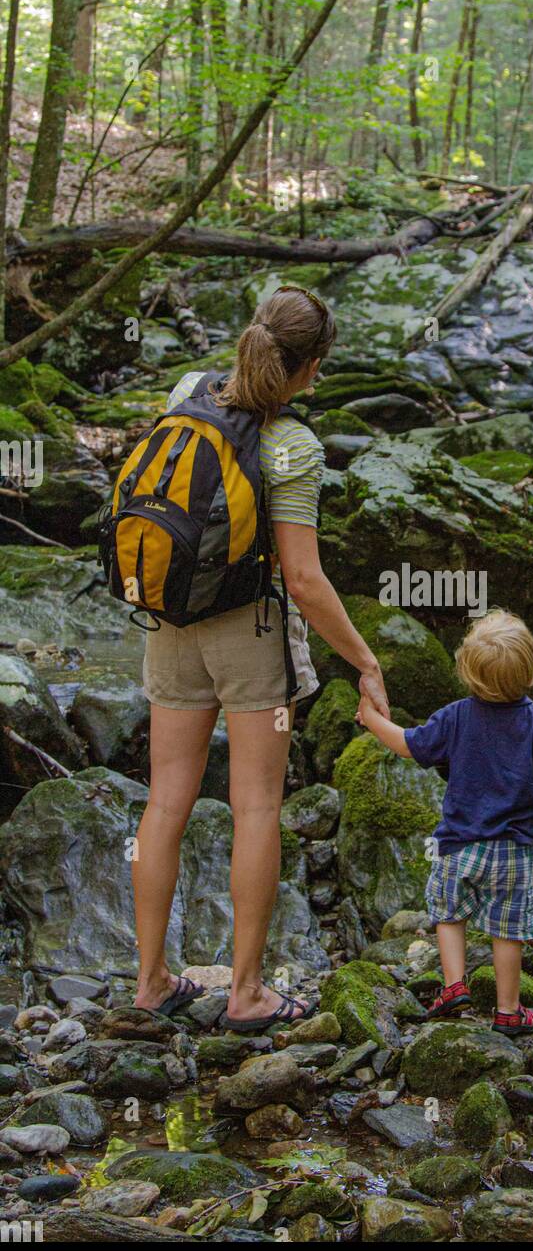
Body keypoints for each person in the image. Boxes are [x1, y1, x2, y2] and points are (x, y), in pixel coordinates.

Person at [132, 286, 390, 1028]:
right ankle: (244, 992)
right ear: (311, 368)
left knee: (164, 802)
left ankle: (151, 981)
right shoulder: (296, 445)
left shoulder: (188, 391)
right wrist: (364, 659)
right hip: (249, 633)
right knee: (254, 809)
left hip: (168, 617)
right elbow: (304, 581)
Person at [358, 608, 533, 1037]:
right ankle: (508, 1011)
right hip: (512, 848)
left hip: (457, 844)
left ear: (467, 675)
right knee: (507, 929)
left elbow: (406, 744)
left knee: (449, 914)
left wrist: (371, 719)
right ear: (531, 675)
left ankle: (454, 985)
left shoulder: (456, 716)